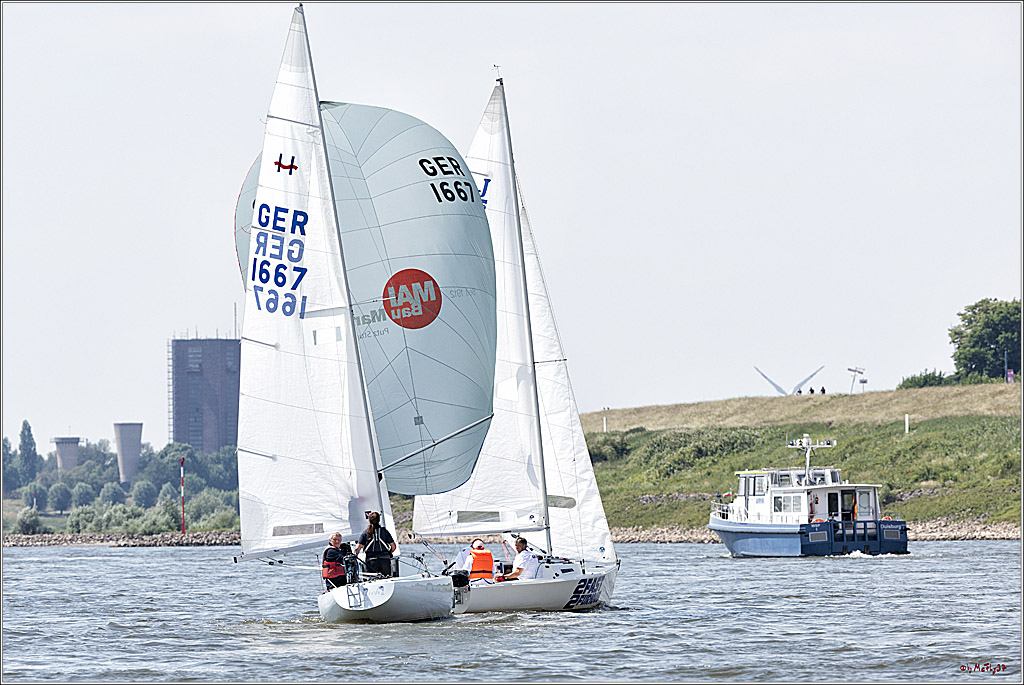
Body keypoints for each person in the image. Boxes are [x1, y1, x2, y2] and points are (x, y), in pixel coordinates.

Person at [355, 511, 397, 577]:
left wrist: (355, 556)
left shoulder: (365, 533)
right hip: (385, 559)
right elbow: (393, 546)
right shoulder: (384, 531)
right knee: (386, 579)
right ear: (379, 520)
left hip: (371, 561)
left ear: (369, 520)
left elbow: (357, 548)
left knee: (372, 580)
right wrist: (389, 553)